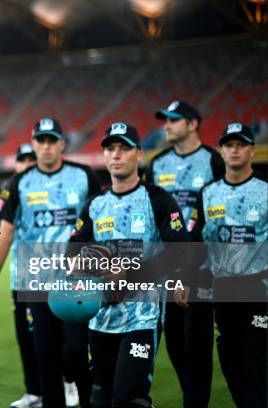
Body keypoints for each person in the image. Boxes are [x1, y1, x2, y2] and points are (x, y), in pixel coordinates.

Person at [70, 122, 191, 408]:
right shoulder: (94, 205)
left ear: (138, 153)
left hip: (142, 317)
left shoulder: (158, 198)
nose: (116, 155)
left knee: (129, 398)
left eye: (124, 148)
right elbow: (71, 257)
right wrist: (94, 268)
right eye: (110, 149)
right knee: (100, 397)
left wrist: (129, 273)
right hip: (101, 318)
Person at [0, 118, 101, 408]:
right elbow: (6, 231)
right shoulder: (20, 182)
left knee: (77, 351)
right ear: (34, 144)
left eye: (52, 140)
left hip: (77, 282)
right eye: (40, 141)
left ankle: (87, 399)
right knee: (46, 357)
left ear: (62, 144)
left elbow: (101, 224)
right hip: (36, 284)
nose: (46, 147)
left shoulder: (84, 176)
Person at [145, 100, 224, 407]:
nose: (167, 125)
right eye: (165, 119)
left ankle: (195, 402)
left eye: (174, 120)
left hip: (201, 267)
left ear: (193, 124)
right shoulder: (158, 163)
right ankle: (191, 394)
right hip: (166, 268)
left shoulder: (213, 161)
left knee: (198, 343)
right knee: (175, 343)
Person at [193, 123, 266, 408]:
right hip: (223, 288)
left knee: (256, 358)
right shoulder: (208, 193)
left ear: (252, 149)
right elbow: (198, 242)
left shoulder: (265, 189)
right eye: (229, 144)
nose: (234, 149)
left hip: (259, 286)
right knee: (231, 361)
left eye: (240, 144)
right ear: (221, 151)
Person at [0, 144, 45, 408]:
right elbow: (4, 232)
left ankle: (69, 381)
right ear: (16, 164)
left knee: (60, 338)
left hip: (57, 276)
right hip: (22, 278)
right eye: (23, 159)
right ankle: (34, 391)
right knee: (26, 339)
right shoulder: (14, 190)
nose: (27, 163)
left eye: (31, 158)